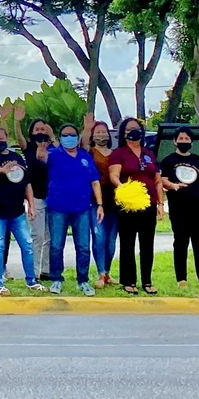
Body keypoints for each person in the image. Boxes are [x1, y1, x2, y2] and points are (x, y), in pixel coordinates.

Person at [35, 119, 103, 296]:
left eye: (72, 135)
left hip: (82, 208)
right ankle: (56, 279)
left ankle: (83, 281)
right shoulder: (54, 154)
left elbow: (95, 182)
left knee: (83, 246)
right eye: (65, 136)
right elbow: (41, 157)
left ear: (77, 137)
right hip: (58, 207)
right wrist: (41, 149)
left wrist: (100, 204)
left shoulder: (85, 156)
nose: (69, 138)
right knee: (57, 246)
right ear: (60, 138)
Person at [0, 127, 39, 295]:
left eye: (0, 138)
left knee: (27, 244)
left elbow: (27, 183)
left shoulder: (16, 157)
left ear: (6, 138)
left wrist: (31, 205)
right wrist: (1, 170)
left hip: (17, 211)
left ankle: (31, 280)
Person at [109, 117, 161, 295]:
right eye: (130, 129)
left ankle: (147, 281)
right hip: (129, 203)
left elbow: (157, 179)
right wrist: (123, 188)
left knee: (147, 243)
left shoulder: (149, 153)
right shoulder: (119, 153)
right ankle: (128, 280)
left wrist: (160, 203)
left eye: (137, 128)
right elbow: (114, 175)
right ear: (123, 133)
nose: (134, 132)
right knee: (128, 242)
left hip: (149, 203)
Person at [159, 128, 199, 289]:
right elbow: (163, 180)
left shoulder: (198, 160)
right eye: (181, 138)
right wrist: (174, 185)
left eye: (187, 138)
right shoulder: (169, 160)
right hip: (179, 207)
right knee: (181, 242)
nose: (184, 141)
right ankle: (181, 279)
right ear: (175, 141)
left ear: (191, 141)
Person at [22, 116, 55, 283]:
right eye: (37, 129)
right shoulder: (28, 148)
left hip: (54, 197)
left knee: (50, 236)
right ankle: (33, 271)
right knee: (37, 236)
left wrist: (53, 137)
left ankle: (46, 270)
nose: (40, 132)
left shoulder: (54, 149)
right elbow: (19, 136)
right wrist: (14, 121)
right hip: (36, 197)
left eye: (43, 129)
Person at [88, 119, 118, 288]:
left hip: (114, 200)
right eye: (97, 132)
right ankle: (100, 273)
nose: (101, 134)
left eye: (104, 131)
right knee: (99, 236)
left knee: (111, 239)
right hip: (94, 200)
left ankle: (107, 272)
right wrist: (85, 129)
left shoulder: (115, 153)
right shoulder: (90, 152)